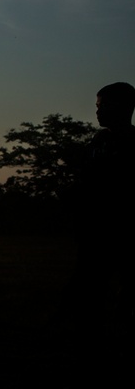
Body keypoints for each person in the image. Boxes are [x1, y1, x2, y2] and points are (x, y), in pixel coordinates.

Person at [67, 81, 135, 361]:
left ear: (124, 107)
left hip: (123, 229)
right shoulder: (98, 142)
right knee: (90, 292)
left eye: (103, 106)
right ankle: (89, 345)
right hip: (95, 231)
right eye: (97, 106)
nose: (98, 111)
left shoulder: (130, 143)